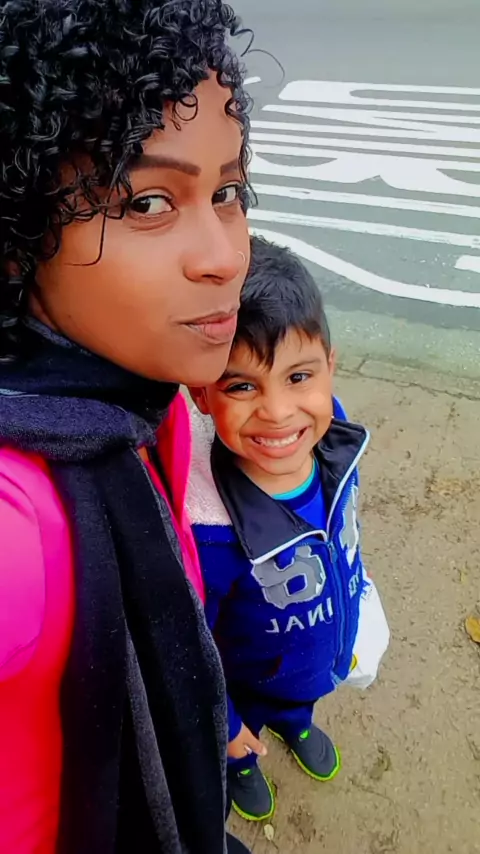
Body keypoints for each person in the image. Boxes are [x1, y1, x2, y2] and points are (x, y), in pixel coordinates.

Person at [0, 1, 254, 852]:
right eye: (148, 201)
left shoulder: (149, 400)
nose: (225, 255)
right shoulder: (19, 528)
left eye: (228, 192)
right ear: (19, 235)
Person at [187, 236, 390, 821]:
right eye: (241, 386)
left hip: (318, 658)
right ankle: (240, 762)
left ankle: (297, 723)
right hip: (244, 682)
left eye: (299, 377)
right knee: (243, 735)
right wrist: (226, 726)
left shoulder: (336, 443)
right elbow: (194, 645)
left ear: (330, 365)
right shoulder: (208, 531)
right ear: (202, 394)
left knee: (304, 698)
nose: (278, 413)